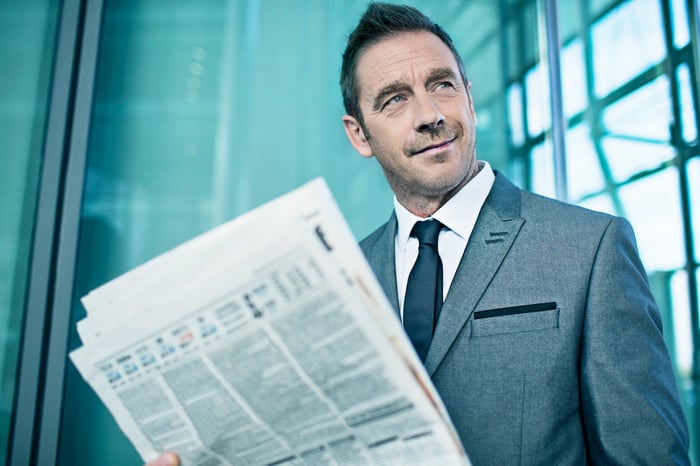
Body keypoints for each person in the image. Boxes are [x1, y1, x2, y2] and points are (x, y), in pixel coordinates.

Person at [148, 3, 689, 465]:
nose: (430, 114)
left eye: (442, 85)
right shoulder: (339, 277)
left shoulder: (588, 250)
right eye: (394, 99)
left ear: (469, 99)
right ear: (359, 134)